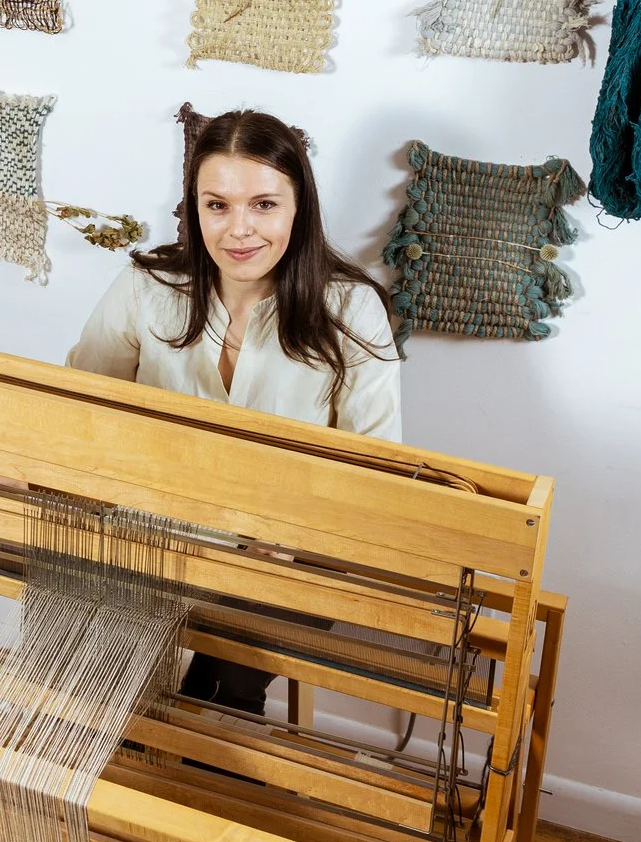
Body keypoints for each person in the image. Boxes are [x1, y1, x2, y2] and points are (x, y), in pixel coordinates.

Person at [67, 108, 402, 716]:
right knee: (87, 674)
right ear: (195, 208)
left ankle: (193, 756)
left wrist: (294, 539)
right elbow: (79, 410)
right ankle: (105, 749)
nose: (239, 230)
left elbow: (375, 468)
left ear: (299, 208)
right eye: (217, 205)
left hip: (290, 548)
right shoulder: (147, 287)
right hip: (152, 531)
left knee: (218, 686)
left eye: (264, 205)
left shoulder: (352, 309)